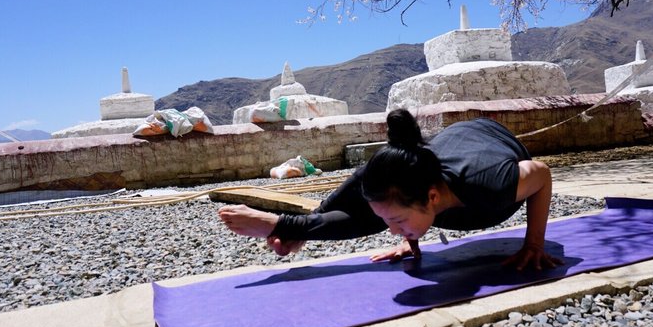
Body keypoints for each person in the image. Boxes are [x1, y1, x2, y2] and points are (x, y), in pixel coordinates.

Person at [218, 109, 562, 271]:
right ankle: (290, 226)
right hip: (443, 150)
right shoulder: (410, 179)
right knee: (381, 203)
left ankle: (288, 225)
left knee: (388, 211)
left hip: (488, 138)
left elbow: (542, 174)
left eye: (398, 223)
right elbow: (362, 187)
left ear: (432, 198)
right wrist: (303, 229)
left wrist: (534, 244)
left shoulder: (490, 185)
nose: (391, 231)